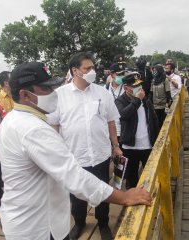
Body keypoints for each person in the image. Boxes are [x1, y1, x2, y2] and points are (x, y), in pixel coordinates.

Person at [0, 62, 151, 240]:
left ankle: (102, 222)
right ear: (25, 95)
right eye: (46, 89)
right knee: (78, 200)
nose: (53, 93)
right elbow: (75, 178)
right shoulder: (33, 129)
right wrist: (124, 197)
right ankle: (80, 222)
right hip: (38, 226)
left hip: (36, 217)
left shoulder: (13, 119)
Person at [47, 52, 122, 240]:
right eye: (87, 68)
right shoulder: (59, 96)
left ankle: (103, 223)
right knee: (76, 194)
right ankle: (80, 222)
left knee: (103, 189)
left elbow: (111, 121)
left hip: (100, 155)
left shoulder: (102, 93)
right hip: (74, 157)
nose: (92, 71)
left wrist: (116, 145)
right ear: (75, 71)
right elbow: (54, 126)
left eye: (93, 67)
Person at [115, 73, 160, 189]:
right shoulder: (120, 101)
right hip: (130, 146)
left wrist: (157, 139)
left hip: (147, 144)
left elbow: (154, 119)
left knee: (152, 175)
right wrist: (137, 100)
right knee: (131, 177)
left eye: (140, 85)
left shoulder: (146, 100)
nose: (139, 88)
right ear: (126, 88)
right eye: (135, 86)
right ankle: (132, 202)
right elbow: (123, 115)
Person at [105, 63, 126, 143]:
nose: (121, 76)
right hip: (111, 130)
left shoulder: (127, 88)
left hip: (125, 129)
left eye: (123, 74)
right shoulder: (105, 90)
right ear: (111, 74)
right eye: (118, 74)